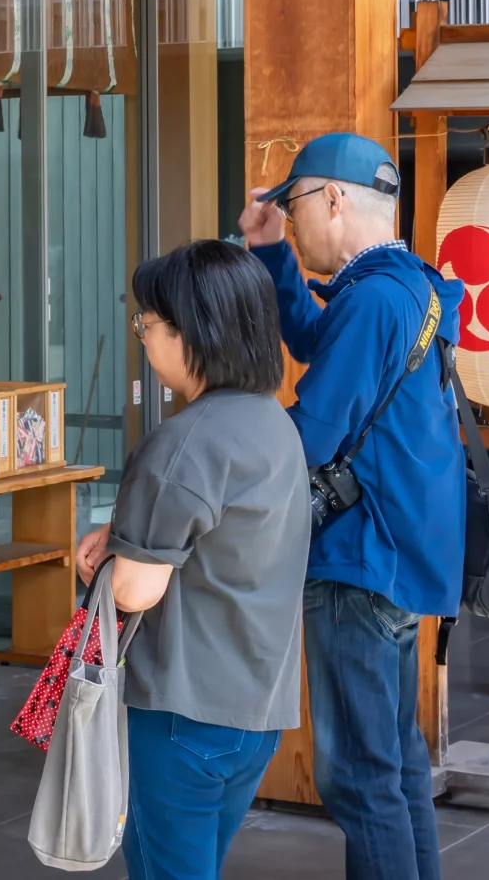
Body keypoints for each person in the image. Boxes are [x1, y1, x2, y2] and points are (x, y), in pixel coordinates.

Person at [237, 132, 467, 880]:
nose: (294, 221)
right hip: (403, 557)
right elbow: (315, 338)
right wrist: (273, 253)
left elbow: (312, 433)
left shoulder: (372, 299)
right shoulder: (411, 287)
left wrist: (216, 449)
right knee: (396, 764)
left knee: (359, 779)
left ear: (333, 198)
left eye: (294, 205)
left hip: (359, 562)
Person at [73, 240, 310, 880]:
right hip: (257, 708)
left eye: (147, 325)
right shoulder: (274, 424)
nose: (143, 340)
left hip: (183, 708)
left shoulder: (183, 442)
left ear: (192, 333)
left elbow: (132, 591)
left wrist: (99, 563)